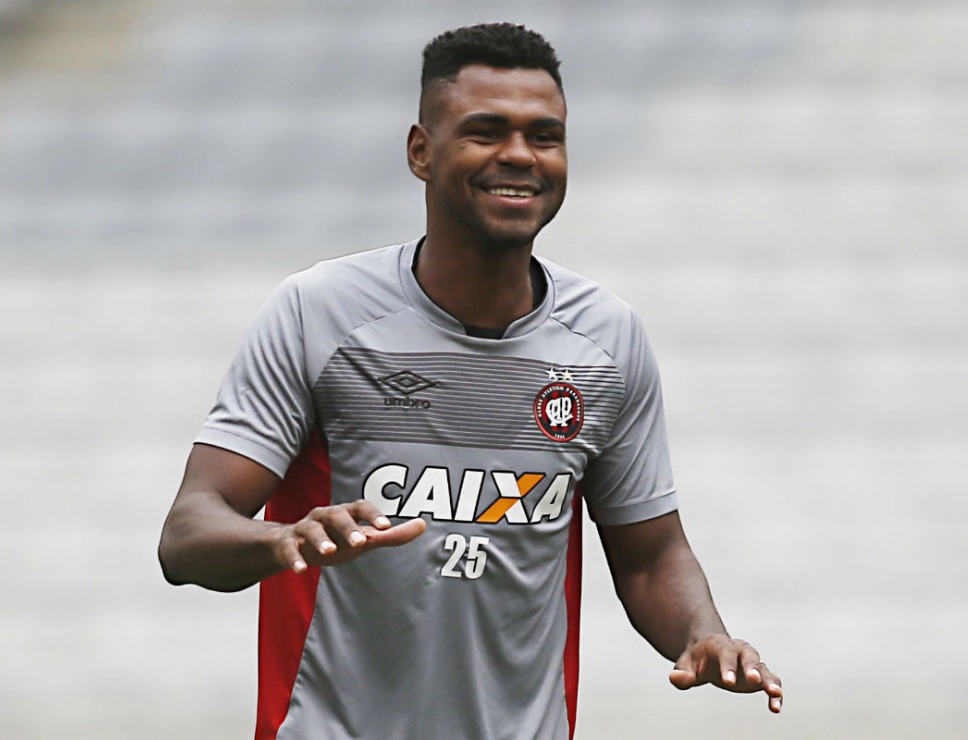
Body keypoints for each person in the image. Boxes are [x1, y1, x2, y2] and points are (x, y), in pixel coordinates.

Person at [158, 22, 783, 739]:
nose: (519, 155)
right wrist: (280, 540)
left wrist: (703, 633)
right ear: (421, 151)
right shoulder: (319, 313)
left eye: (544, 136)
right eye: (486, 132)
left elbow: (650, 557)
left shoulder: (607, 339)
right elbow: (188, 531)